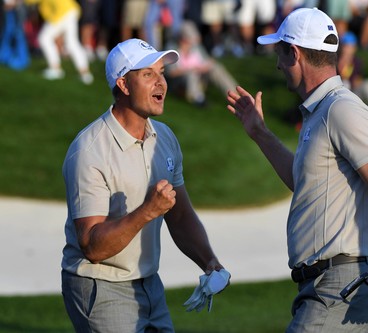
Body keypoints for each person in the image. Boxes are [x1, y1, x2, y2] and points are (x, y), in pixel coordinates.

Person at [226, 7, 368, 332]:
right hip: (326, 286)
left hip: (340, 287)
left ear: (295, 54)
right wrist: (260, 133)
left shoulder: (341, 109)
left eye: (281, 54)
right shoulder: (320, 112)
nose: (278, 65)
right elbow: (303, 182)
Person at [61, 38, 227, 332]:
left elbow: (180, 215)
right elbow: (92, 246)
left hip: (149, 283)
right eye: (148, 74)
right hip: (100, 286)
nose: (161, 83)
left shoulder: (164, 138)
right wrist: (148, 211)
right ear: (123, 85)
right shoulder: (89, 151)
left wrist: (209, 261)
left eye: (161, 72)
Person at [166, 20, 238, 106]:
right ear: (182, 38)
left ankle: (234, 95)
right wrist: (192, 69)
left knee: (216, 68)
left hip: (200, 78)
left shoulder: (196, 47)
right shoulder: (172, 48)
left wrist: (206, 66)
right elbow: (170, 73)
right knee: (191, 73)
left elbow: (208, 61)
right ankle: (198, 99)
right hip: (181, 82)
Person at [25, 0, 93, 84]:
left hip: (62, 12)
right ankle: (85, 73)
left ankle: (55, 68)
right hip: (70, 10)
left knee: (44, 38)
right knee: (72, 43)